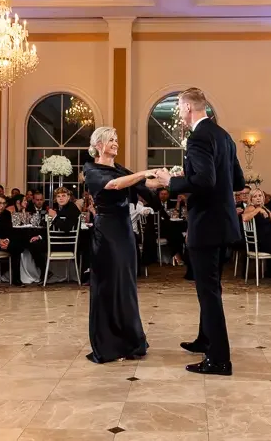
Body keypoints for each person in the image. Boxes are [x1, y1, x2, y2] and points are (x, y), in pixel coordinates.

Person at [154, 87, 245, 376]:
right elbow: (238, 181)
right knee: (211, 288)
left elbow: (205, 181)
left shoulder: (197, 137)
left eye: (179, 108)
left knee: (208, 293)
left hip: (206, 225)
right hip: (223, 223)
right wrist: (191, 177)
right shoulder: (224, 136)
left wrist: (171, 181)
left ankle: (218, 359)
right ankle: (205, 339)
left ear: (187, 107)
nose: (179, 113)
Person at [83, 126, 160, 364]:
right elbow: (114, 185)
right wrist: (144, 172)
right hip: (106, 234)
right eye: (111, 140)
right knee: (108, 285)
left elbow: (144, 185)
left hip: (125, 231)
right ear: (99, 145)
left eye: (116, 139)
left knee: (126, 285)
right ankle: (108, 344)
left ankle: (130, 341)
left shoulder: (120, 169)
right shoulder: (91, 170)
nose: (116, 143)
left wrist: (169, 179)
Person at [29, 187, 81, 280]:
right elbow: (52, 228)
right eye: (58, 196)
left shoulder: (72, 208)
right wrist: (40, 236)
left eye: (63, 196)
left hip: (66, 243)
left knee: (34, 245)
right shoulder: (61, 208)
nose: (61, 198)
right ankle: (45, 272)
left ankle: (44, 272)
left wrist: (55, 216)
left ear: (68, 197)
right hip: (59, 241)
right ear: (56, 199)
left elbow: (67, 228)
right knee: (33, 243)